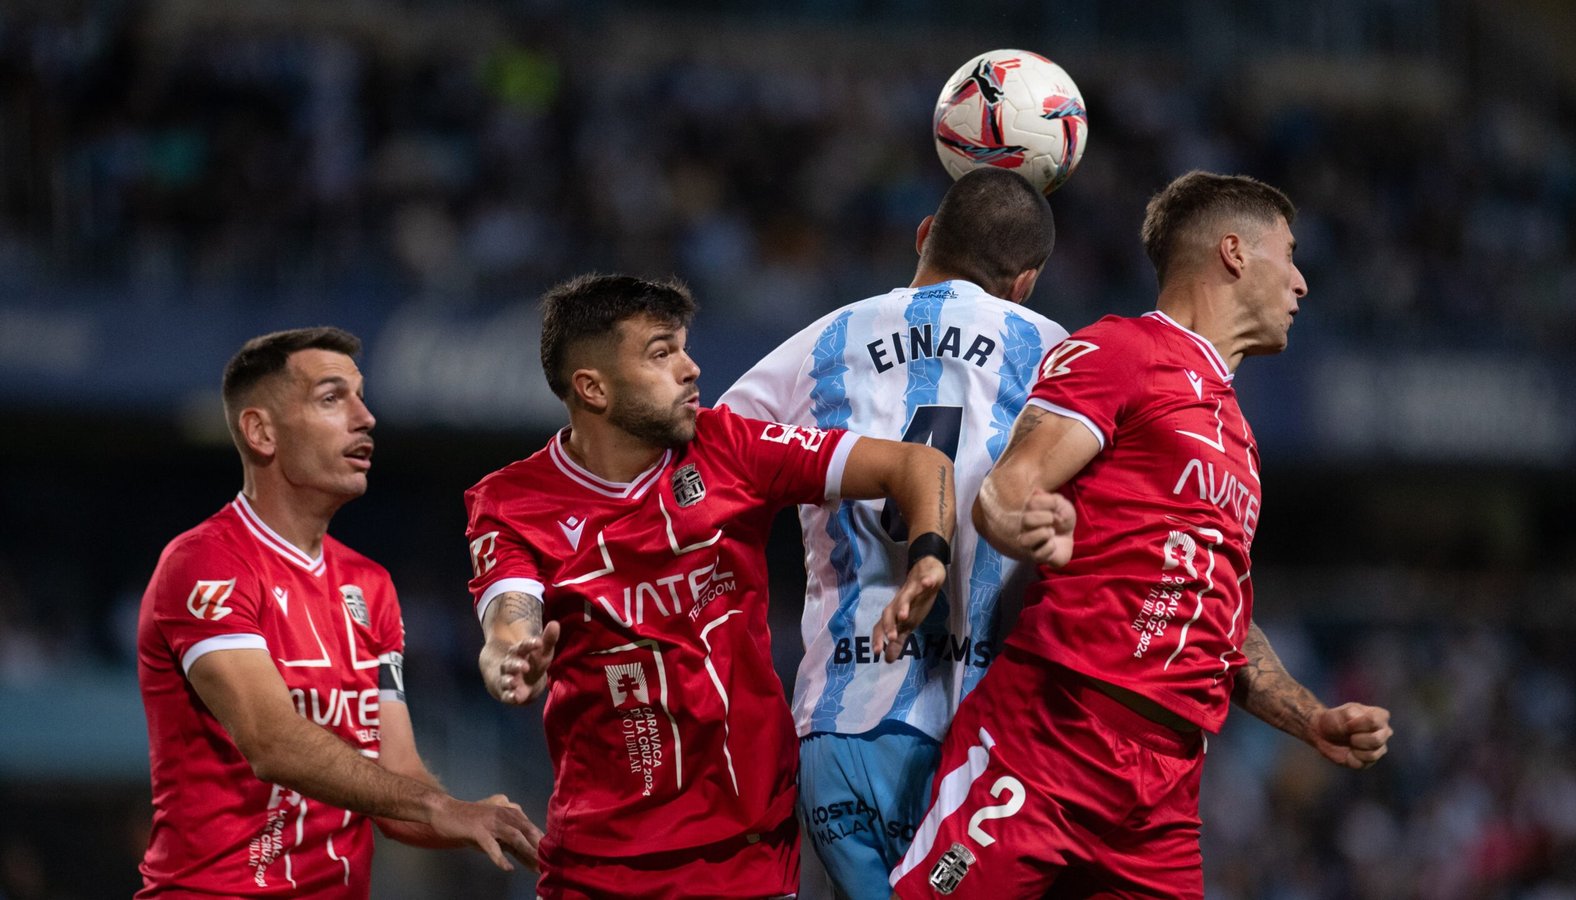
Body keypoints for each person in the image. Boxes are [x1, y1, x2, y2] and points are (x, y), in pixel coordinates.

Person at [888, 172, 1395, 899]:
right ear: (1234, 253)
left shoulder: (1239, 441)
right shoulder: (1123, 351)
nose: (1304, 283)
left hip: (1162, 796)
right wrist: (1025, 523)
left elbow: (1222, 618)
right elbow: (1006, 488)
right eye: (1290, 256)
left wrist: (1312, 716)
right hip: (1052, 741)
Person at [465, 274, 957, 898]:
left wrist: (930, 555)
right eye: (661, 352)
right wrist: (511, 655)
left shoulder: (730, 448)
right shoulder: (511, 501)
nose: (691, 369)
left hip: (748, 853)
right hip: (600, 861)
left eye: (684, 347)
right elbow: (509, 613)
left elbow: (918, 463)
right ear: (592, 388)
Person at [717, 167, 1067, 898]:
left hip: (842, 723)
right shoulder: (1054, 353)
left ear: (922, 238)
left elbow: (713, 467)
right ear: (1026, 281)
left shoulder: (822, 342)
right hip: (985, 740)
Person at [136, 327, 541, 898]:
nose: (365, 417)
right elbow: (270, 741)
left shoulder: (369, 585)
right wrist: (434, 805)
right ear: (260, 431)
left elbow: (397, 791)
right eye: (332, 398)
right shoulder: (205, 563)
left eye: (360, 395)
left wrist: (474, 819)